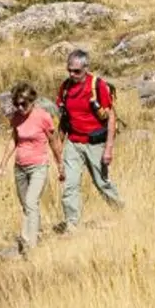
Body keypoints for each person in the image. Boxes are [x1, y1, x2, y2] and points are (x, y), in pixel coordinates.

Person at [54, 48, 123, 233]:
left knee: (102, 183)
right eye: (69, 70)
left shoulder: (98, 86)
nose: (72, 74)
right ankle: (72, 224)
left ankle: (122, 212)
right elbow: (63, 119)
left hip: (95, 143)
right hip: (73, 143)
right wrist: (59, 149)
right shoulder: (65, 88)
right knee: (70, 184)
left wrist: (109, 148)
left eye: (76, 71)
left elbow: (111, 117)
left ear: (86, 68)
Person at [0, 81, 64, 255]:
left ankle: (29, 244)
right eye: (16, 103)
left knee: (31, 202)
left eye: (23, 103)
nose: (20, 107)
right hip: (20, 167)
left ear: (32, 101)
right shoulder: (16, 118)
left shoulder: (43, 117)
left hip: (38, 166)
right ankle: (35, 232)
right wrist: (3, 163)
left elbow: (54, 141)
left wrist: (59, 163)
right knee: (26, 205)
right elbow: (14, 140)